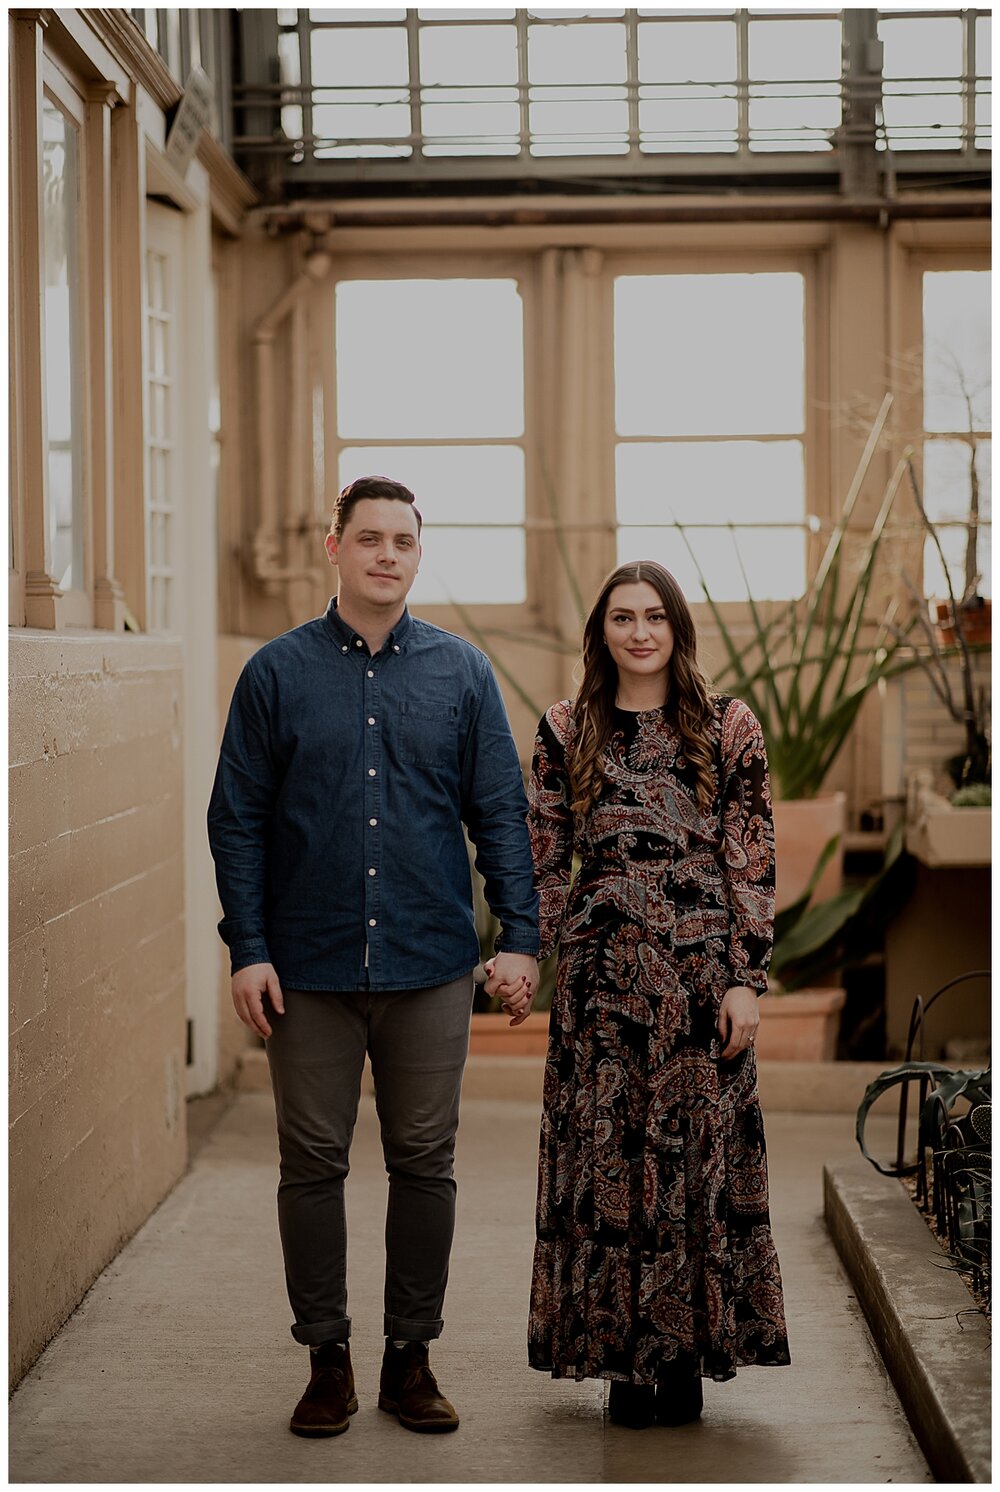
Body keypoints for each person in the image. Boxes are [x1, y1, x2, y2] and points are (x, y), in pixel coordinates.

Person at [207, 475, 539, 1439]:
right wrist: (248, 950)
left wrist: (519, 937)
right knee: (310, 1163)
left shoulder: (463, 674)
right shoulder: (275, 674)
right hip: (303, 969)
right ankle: (327, 1362)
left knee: (424, 1162)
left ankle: (410, 1360)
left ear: (417, 554)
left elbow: (501, 818)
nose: (386, 554)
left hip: (430, 962)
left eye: (403, 541)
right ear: (334, 547)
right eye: (369, 539)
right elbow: (238, 822)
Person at [501, 558, 790, 1430]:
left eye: (654, 616)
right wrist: (525, 955)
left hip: (702, 983)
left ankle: (690, 1359)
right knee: (610, 1164)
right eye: (622, 617)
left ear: (677, 628)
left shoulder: (727, 725)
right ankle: (623, 1364)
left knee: (695, 1163)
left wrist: (748, 978)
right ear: (601, 632)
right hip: (602, 987)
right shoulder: (566, 727)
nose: (639, 632)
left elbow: (753, 854)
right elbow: (545, 856)